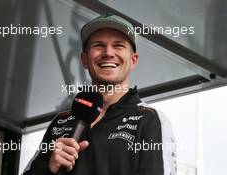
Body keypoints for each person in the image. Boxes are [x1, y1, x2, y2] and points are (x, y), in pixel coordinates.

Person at [23, 13, 177, 175]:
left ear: (133, 60)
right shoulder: (61, 121)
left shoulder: (150, 119)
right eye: (98, 45)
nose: (108, 53)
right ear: (84, 59)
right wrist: (50, 168)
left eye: (118, 45)